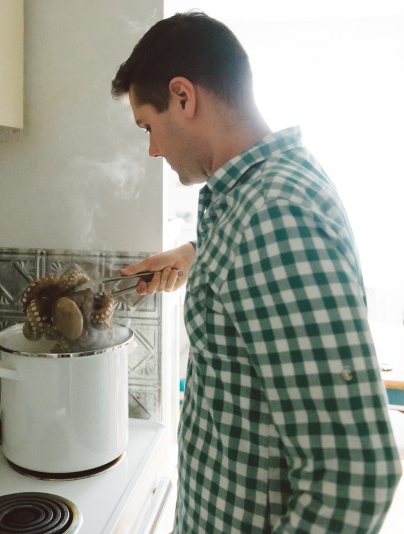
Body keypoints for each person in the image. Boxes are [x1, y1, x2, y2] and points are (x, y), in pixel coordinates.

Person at [111, 11, 401, 533]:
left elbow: (354, 476)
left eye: (148, 126)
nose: (152, 148)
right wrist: (195, 255)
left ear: (183, 96)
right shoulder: (255, 198)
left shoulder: (274, 216)